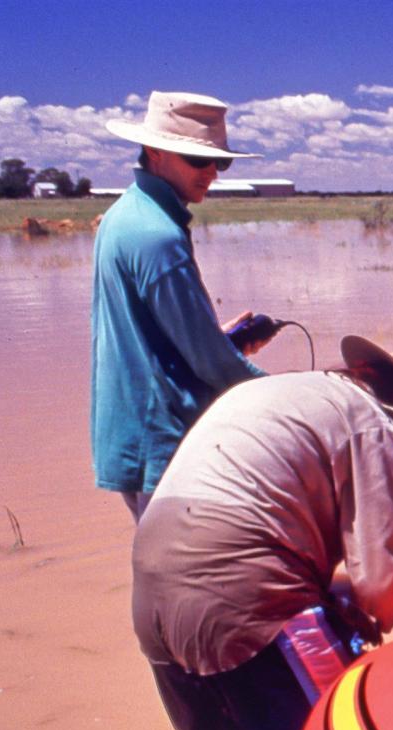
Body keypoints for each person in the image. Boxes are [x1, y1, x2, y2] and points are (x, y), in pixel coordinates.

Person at [131, 337, 393, 730]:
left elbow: (271, 515)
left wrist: (335, 607)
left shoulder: (290, 393)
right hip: (239, 593)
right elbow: (382, 588)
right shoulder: (378, 423)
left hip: (152, 588)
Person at [92, 91, 274, 522]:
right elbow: (213, 365)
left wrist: (219, 339)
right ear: (155, 151)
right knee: (190, 583)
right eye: (198, 160)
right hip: (165, 440)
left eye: (220, 162)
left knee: (167, 577)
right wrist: (293, 397)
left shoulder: (125, 214)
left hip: (134, 429)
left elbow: (147, 333)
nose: (212, 172)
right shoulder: (159, 235)